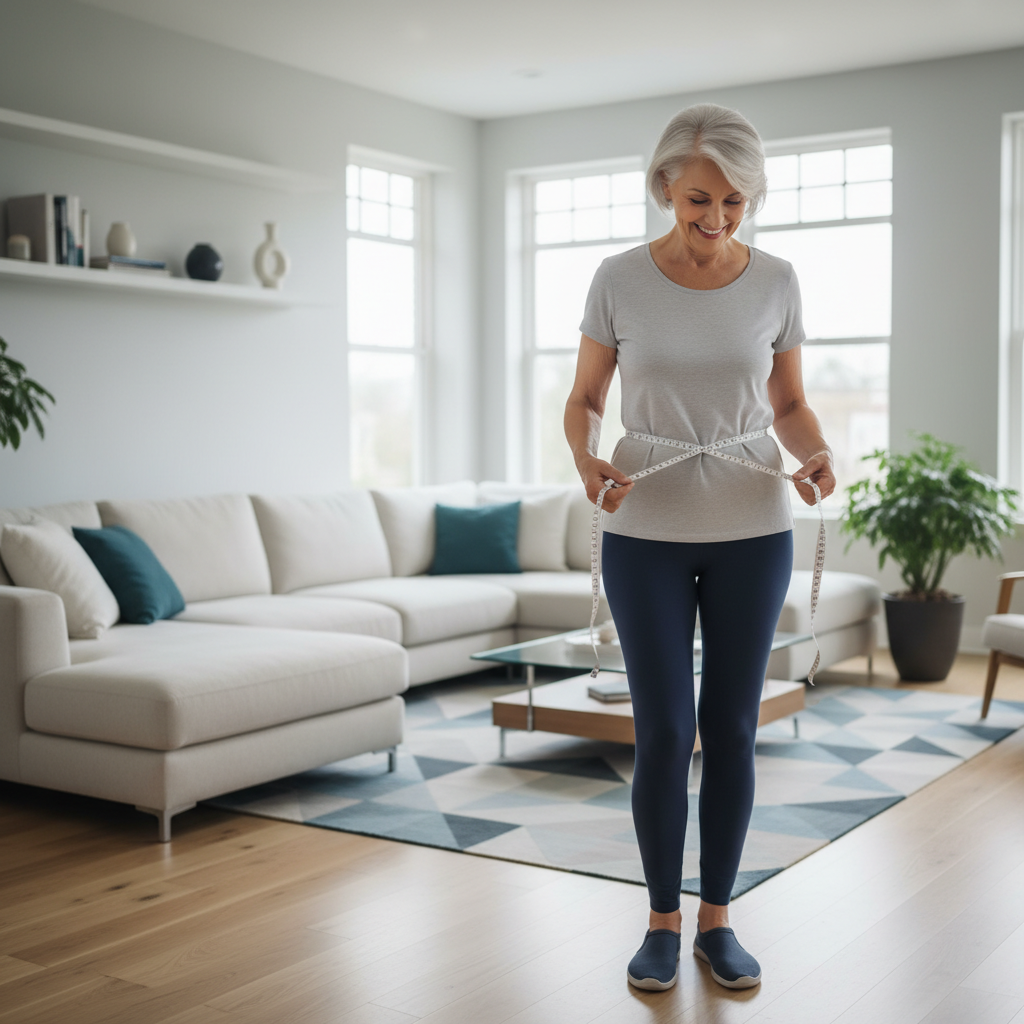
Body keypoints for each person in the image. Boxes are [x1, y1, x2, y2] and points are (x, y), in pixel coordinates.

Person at [564, 103, 835, 992]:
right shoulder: (618, 279)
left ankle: (718, 920)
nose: (715, 218)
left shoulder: (779, 281)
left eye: (733, 200)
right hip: (643, 527)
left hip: (755, 526)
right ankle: (659, 922)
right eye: (696, 199)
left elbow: (789, 405)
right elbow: (585, 399)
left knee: (729, 728)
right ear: (663, 190)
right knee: (664, 730)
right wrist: (585, 459)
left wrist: (817, 453)